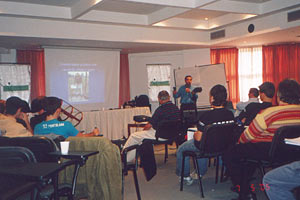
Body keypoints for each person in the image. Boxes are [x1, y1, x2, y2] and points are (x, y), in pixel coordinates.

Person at [223, 79, 300, 200]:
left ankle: (245, 193)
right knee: (247, 154)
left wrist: (240, 142)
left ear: (279, 96)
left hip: (271, 152)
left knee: (231, 153)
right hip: (294, 153)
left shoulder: (269, 113)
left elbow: (247, 136)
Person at [175, 84, 234, 185]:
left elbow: (198, 138)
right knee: (205, 143)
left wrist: (193, 135)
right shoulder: (230, 114)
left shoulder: (205, 116)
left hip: (207, 147)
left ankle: (185, 176)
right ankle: (200, 173)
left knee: (181, 149)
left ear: (212, 98)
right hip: (224, 146)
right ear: (225, 98)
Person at [123, 90, 180, 162]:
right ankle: (133, 158)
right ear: (169, 97)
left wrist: (143, 132)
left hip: (160, 135)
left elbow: (148, 126)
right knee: (142, 137)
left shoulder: (160, 110)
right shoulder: (176, 108)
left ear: (159, 99)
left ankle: (124, 159)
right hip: (172, 135)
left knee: (134, 136)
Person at [34, 96, 99, 138]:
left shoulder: (37, 128)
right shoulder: (66, 125)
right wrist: (93, 133)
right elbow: (82, 137)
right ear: (58, 110)